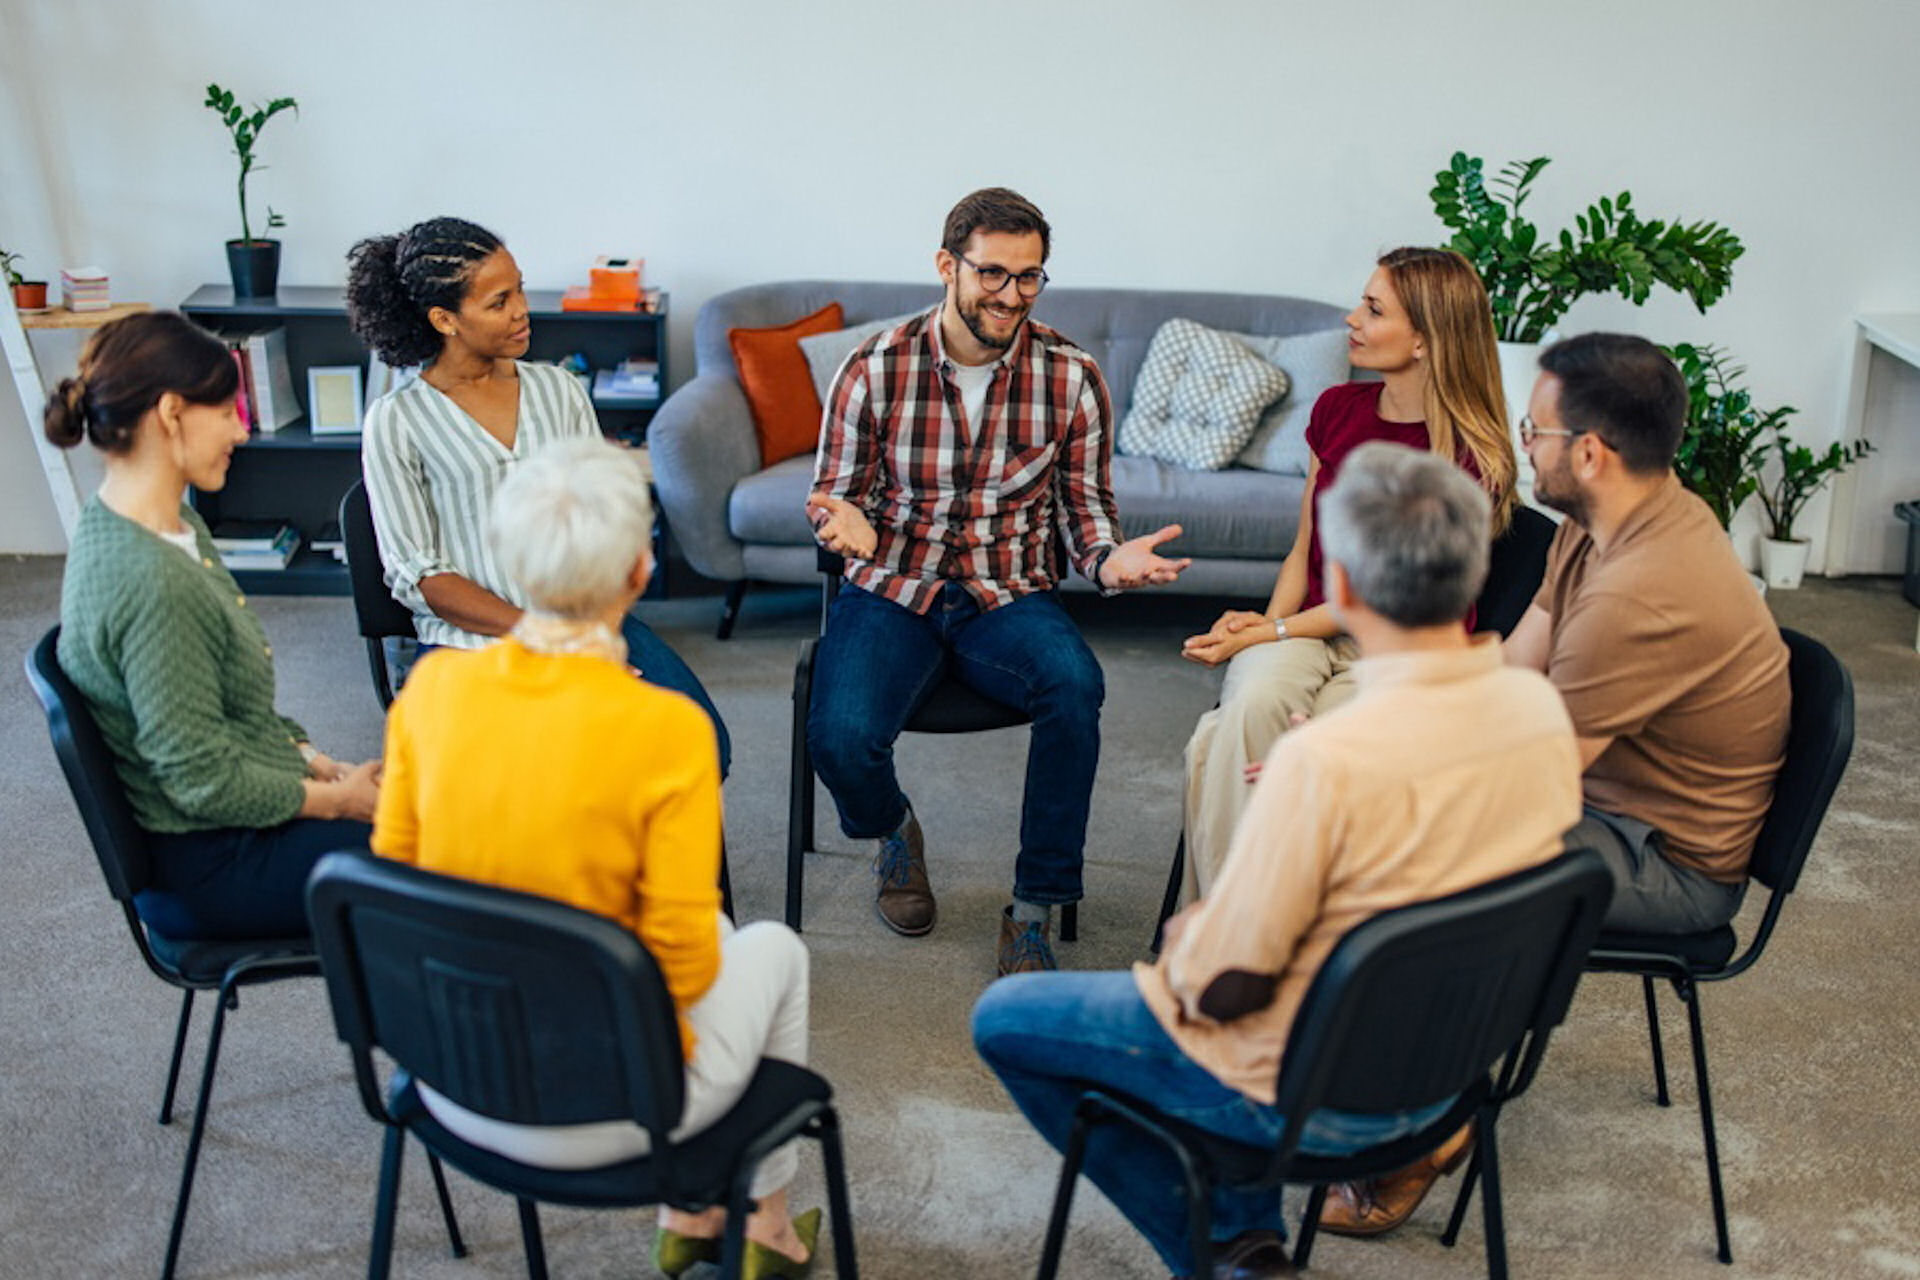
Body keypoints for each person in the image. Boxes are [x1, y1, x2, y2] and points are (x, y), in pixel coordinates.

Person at [973, 443, 1581, 1280]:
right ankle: (1244, 1234)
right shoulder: (1538, 716)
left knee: (1006, 1020)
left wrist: (1191, 939)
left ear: (1352, 590)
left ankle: (1221, 1252)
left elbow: (1223, 986)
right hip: (1447, 1081)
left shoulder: (1327, 764)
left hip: (1323, 1094)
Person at [1314, 333, 1791, 1241]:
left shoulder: (1645, 589)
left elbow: (1527, 780)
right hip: (1601, 798)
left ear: (1589, 453)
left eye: (1533, 430)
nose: (1520, 445)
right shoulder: (1596, 526)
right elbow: (1511, 662)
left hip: (1668, 858)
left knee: (1433, 852)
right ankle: (1374, 1076)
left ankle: (1426, 1123)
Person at [372, 437, 817, 1277]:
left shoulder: (430, 692)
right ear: (640, 573)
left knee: (700, 931)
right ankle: (756, 1222)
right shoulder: (665, 730)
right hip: (612, 1103)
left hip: (445, 1074)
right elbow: (680, 969)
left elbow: (396, 887)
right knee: (772, 950)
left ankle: (697, 1213)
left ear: (509, 562)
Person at [805, 186, 1190, 976]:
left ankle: (1034, 908)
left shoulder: (1072, 376)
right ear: (947, 266)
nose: (1011, 295)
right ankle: (893, 832)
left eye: (1029, 277)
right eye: (992, 274)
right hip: (892, 588)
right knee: (838, 737)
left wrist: (1109, 560)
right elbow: (834, 493)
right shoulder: (873, 369)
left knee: (1075, 686)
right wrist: (844, 522)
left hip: (1008, 594)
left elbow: (1086, 511)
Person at [1177, 247, 1518, 900]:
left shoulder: (1470, 456)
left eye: (1373, 308)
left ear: (1425, 339)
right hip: (1307, 624)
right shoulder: (1336, 408)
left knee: (1251, 748)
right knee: (1250, 704)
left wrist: (1269, 632)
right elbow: (1305, 543)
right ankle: (1239, 940)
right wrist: (1265, 625)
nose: (1350, 318)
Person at [346, 215, 731, 776]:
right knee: (539, 779)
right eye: (498, 301)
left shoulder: (559, 390)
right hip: (469, 644)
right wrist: (541, 634)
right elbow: (419, 574)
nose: (521, 309)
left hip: (583, 622)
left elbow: (598, 514)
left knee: (698, 747)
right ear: (444, 319)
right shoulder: (396, 421)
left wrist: (589, 632)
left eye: (520, 288)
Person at [48, 311, 378, 940]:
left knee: (433, 817)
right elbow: (201, 782)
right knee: (450, 863)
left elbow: (235, 718)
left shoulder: (153, 522)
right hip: (211, 863)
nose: (242, 431)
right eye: (228, 411)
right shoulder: (152, 580)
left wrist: (317, 763)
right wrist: (339, 802)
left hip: (231, 820)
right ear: (172, 413)